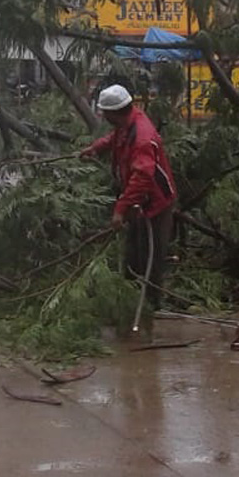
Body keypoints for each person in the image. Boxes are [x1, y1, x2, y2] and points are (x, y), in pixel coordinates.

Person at [80, 84, 177, 310]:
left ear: (114, 113)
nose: (102, 116)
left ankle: (150, 308)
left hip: (154, 204)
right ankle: (132, 300)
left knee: (149, 259)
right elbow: (116, 137)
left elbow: (143, 176)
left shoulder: (142, 136)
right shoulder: (129, 121)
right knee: (133, 253)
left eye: (104, 112)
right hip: (139, 202)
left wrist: (119, 209)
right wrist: (96, 147)